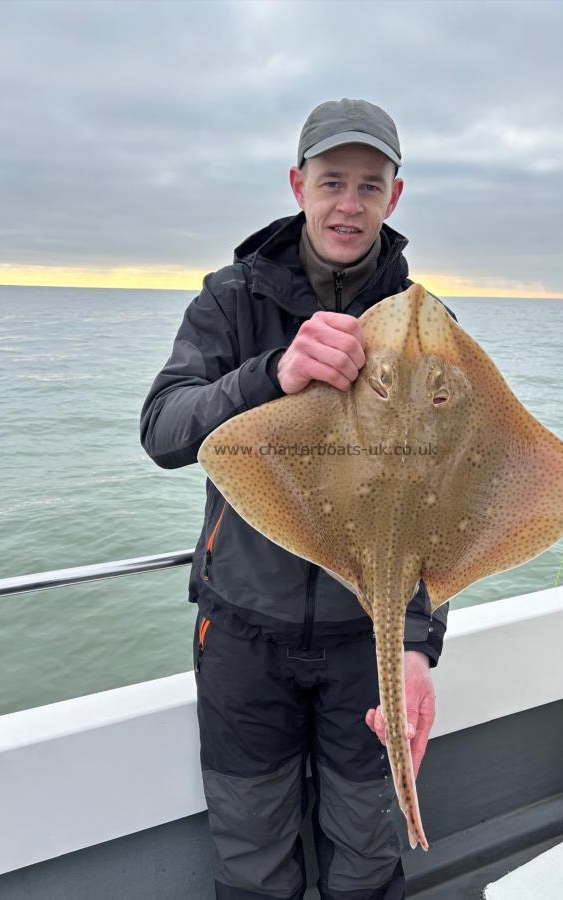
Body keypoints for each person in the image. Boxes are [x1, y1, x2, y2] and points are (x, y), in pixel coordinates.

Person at [140, 98, 455, 900]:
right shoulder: (230, 300)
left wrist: (416, 644)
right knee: (251, 854)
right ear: (298, 185)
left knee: (366, 847)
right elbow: (164, 430)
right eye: (331, 182)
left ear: (395, 196)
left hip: (364, 639)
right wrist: (271, 375)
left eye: (369, 185)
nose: (348, 204)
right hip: (244, 633)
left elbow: (443, 502)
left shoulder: (425, 327)